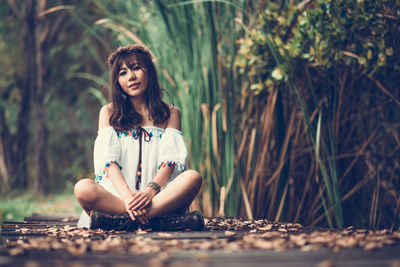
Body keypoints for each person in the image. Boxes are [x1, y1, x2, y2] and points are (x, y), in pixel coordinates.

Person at [74, 44, 203, 231]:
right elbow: (109, 163)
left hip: (159, 197)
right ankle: (156, 221)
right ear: (117, 81)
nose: (131, 77)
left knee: (193, 177)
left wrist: (150, 193)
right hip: (119, 196)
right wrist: (127, 198)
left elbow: (169, 162)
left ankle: (124, 222)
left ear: (149, 72)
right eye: (123, 73)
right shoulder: (109, 112)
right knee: (83, 188)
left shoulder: (171, 113)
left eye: (136, 68)